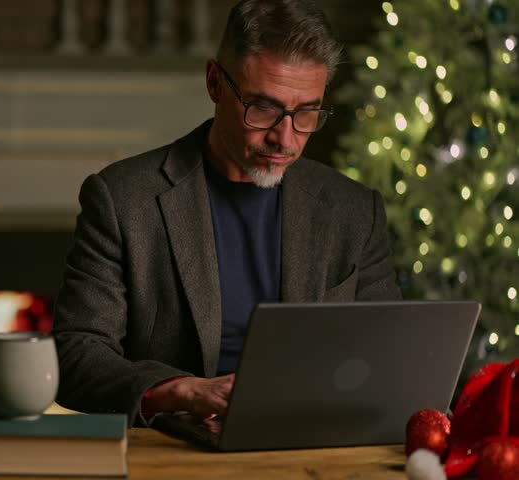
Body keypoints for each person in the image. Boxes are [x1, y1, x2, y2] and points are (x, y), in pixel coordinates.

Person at [51, 0, 402, 427]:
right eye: (265, 108)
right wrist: (182, 390)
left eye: (307, 112)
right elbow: (76, 354)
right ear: (215, 82)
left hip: (312, 443)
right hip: (175, 449)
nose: (285, 139)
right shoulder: (122, 199)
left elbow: (387, 356)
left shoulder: (354, 211)